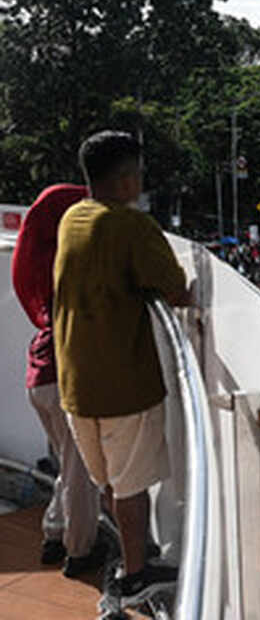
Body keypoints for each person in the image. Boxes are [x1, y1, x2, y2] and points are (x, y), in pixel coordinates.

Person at [53, 131, 189, 607]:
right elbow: (178, 290)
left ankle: (133, 557)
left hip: (76, 385)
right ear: (129, 180)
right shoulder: (132, 228)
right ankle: (136, 575)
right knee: (132, 491)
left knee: (111, 484)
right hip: (122, 389)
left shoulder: (73, 218)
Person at [11, 183, 105, 577]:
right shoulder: (73, 262)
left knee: (68, 466)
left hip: (39, 378)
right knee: (81, 469)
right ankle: (79, 551)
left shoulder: (42, 261)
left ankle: (53, 533)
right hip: (64, 379)